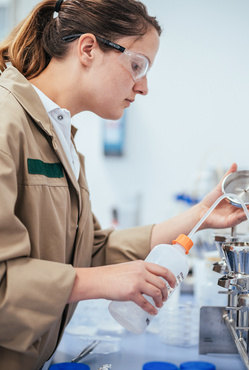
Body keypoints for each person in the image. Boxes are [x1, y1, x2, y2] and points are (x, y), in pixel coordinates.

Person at [0, 0, 247, 369]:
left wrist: (201, 215)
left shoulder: (60, 134)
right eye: (137, 65)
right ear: (88, 49)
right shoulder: (7, 120)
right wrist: (100, 282)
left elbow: (91, 250)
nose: (143, 86)